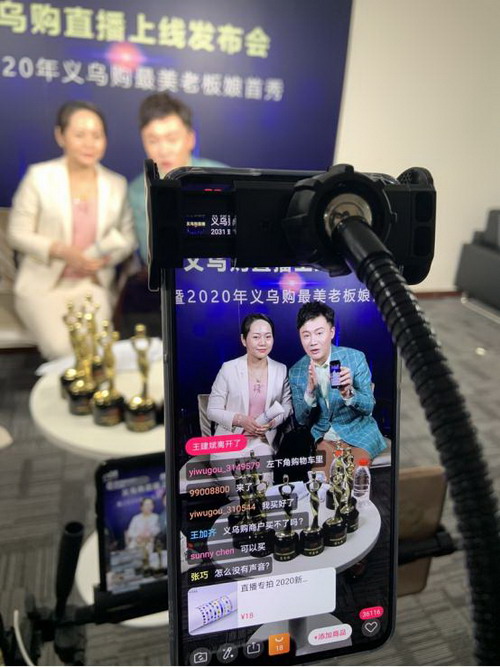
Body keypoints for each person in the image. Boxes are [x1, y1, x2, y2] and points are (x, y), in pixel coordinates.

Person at [7, 100, 136, 360]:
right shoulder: (39, 177)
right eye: (80, 135)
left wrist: (104, 260)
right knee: (63, 350)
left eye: (97, 136)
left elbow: (128, 237)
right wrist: (61, 250)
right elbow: (16, 233)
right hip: (43, 286)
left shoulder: (116, 184)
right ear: (60, 136)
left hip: (92, 284)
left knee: (97, 351)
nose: (89, 143)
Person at [128, 92, 227, 265]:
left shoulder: (222, 178)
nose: (163, 150)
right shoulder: (137, 191)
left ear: (190, 139)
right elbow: (148, 253)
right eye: (153, 141)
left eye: (172, 139)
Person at [289, 301, 386, 475]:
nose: (313, 342)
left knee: (353, 479)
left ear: (332, 332)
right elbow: (301, 420)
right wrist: (310, 391)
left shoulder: (355, 358)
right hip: (324, 437)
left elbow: (368, 407)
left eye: (319, 333)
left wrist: (348, 393)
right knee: (320, 484)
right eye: (306, 335)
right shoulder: (296, 371)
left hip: (359, 434)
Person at [207, 313, 293, 491]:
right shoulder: (229, 369)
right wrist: (240, 420)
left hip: (261, 442)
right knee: (239, 495)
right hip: (229, 443)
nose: (263, 342)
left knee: (263, 492)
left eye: (268, 337)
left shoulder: (281, 369)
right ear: (243, 340)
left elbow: (287, 406)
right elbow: (212, 410)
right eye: (256, 337)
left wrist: (272, 423)